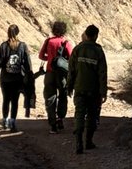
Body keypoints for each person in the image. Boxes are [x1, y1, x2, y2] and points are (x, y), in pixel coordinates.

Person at [66, 24, 107, 154]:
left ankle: (78, 143)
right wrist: (103, 91)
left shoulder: (77, 49)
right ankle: (88, 142)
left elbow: (71, 70)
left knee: (79, 114)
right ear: (95, 36)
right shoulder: (98, 50)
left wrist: (69, 86)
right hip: (94, 90)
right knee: (92, 115)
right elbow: (102, 73)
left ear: (86, 35)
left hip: (79, 88)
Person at [0, 24, 34, 132]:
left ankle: (4, 121)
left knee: (6, 100)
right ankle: (12, 123)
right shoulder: (23, 46)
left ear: (8, 33)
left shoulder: (4, 46)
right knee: (15, 101)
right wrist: (30, 77)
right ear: (17, 33)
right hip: (18, 79)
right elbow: (28, 64)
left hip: (5, 79)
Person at [38, 19, 73, 132]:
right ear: (64, 30)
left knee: (50, 97)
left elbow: (41, 56)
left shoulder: (48, 41)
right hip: (62, 74)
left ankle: (52, 124)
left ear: (53, 30)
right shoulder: (65, 43)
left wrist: (49, 59)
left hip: (49, 73)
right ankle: (60, 118)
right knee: (62, 95)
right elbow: (71, 58)